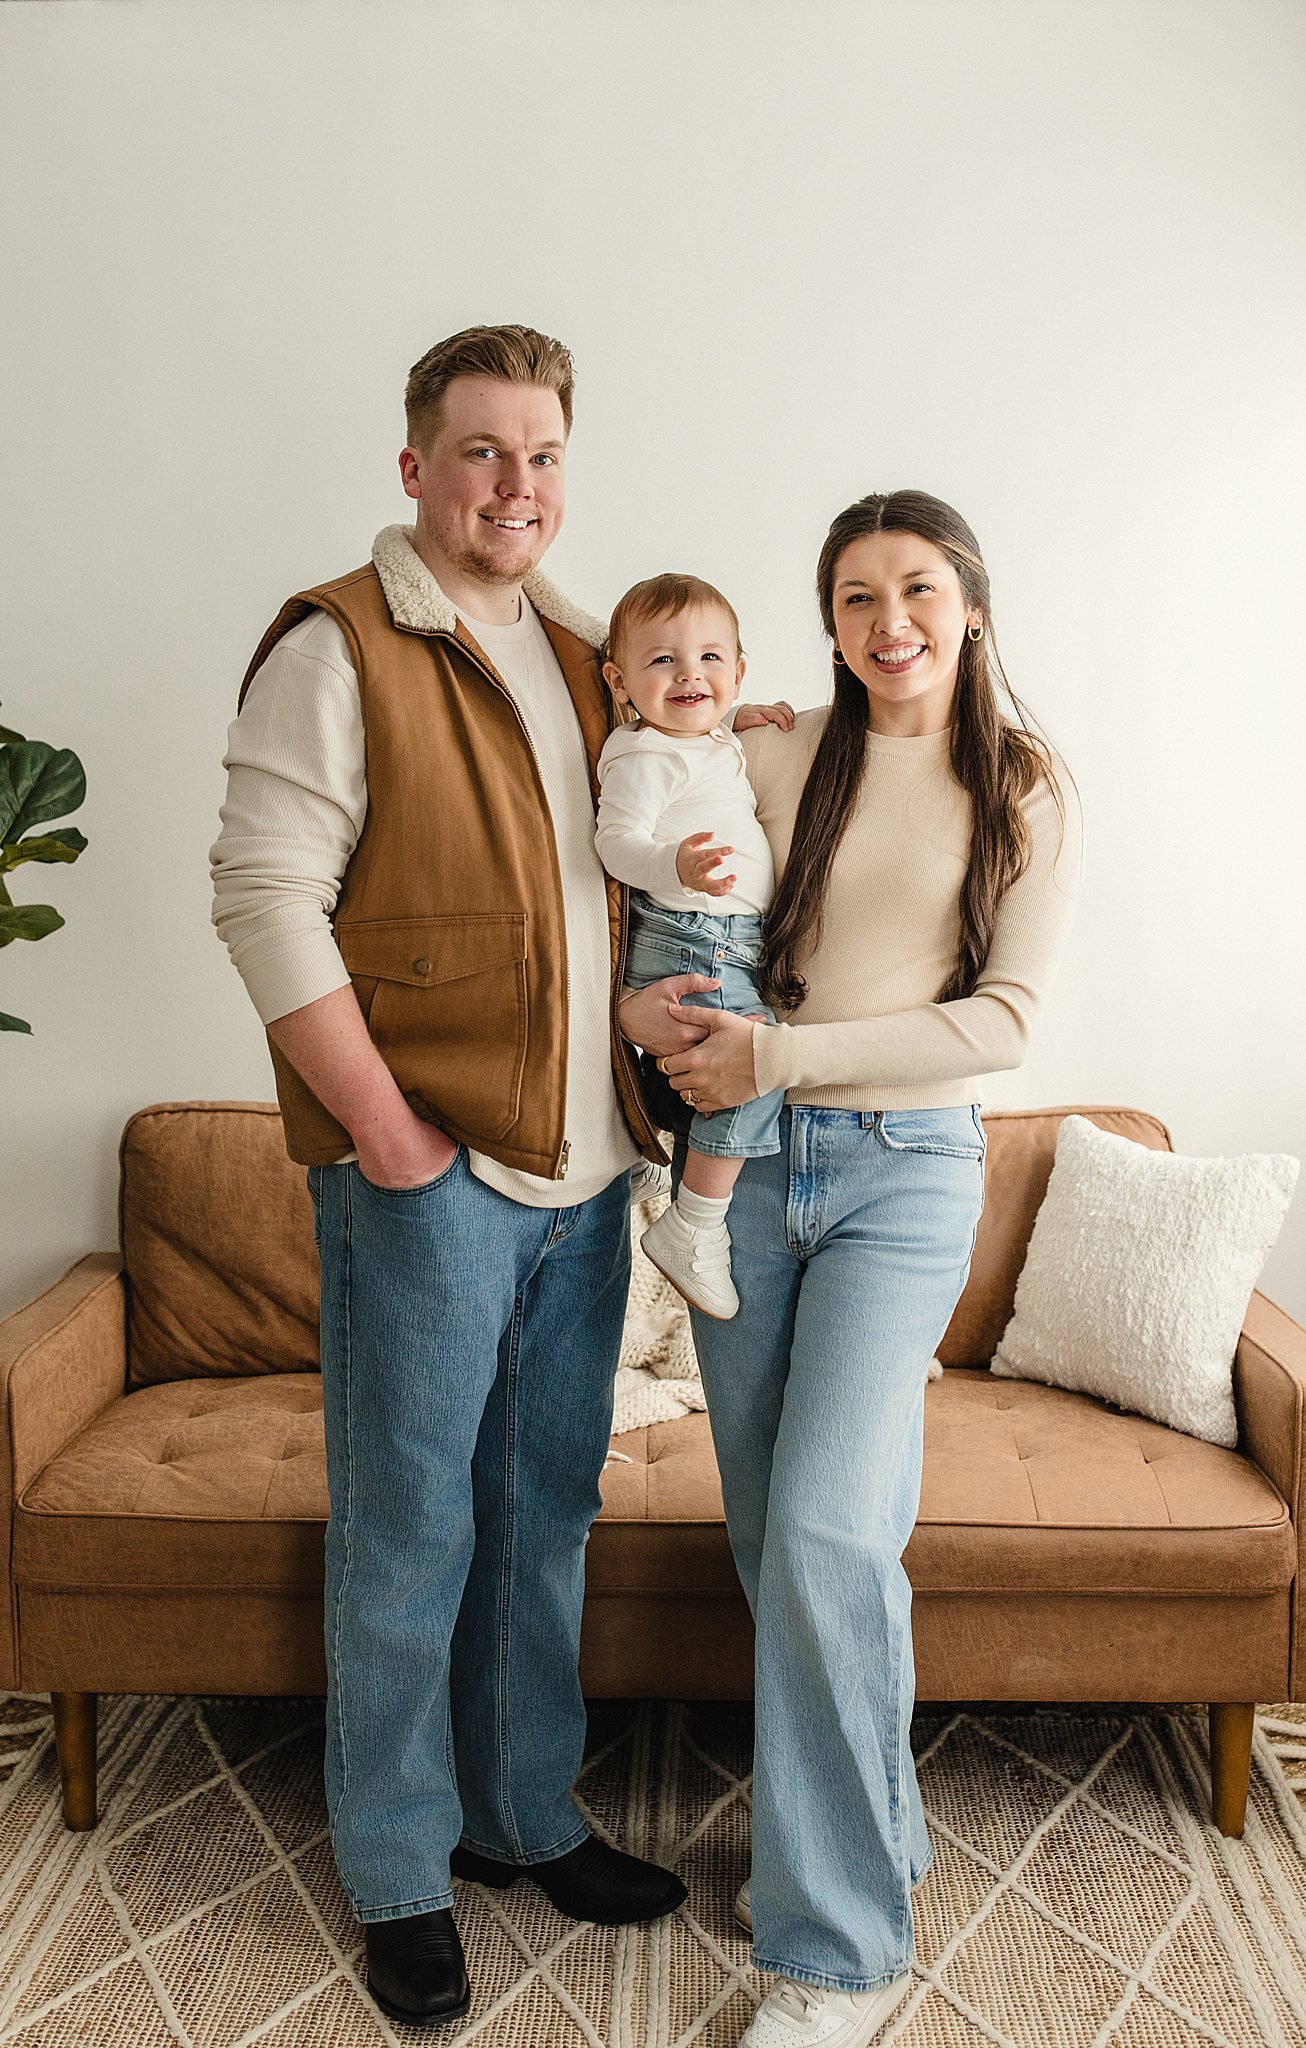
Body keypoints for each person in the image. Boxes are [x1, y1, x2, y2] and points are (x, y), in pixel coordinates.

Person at [209, 324, 693, 2030]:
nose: (516, 483)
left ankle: (519, 1815)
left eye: (543, 452)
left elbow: (581, 906)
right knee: (412, 1529)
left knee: (539, 1513)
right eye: (481, 450)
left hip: (585, 1177)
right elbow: (265, 895)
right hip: (432, 1175)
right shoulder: (340, 644)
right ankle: (403, 1868)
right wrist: (388, 1131)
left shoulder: (580, 651)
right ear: (414, 465)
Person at [620, 491, 1083, 2048]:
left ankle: (838, 1956)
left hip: (904, 1181)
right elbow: (668, 893)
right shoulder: (773, 750)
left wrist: (785, 1053)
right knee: (783, 1541)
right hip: (744, 1185)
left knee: (824, 1530)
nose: (890, 622)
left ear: (968, 604)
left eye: (918, 591)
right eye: (856, 595)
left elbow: (1006, 1020)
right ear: (823, 617)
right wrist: (653, 1023)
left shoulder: (1020, 786)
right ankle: (870, 1835)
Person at [595, 571, 793, 1318]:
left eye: (711, 660)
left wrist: (738, 717)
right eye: (663, 662)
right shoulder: (644, 754)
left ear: (737, 671)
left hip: (717, 938)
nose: (690, 676)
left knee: (704, 1070)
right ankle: (693, 1226)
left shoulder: (699, 739)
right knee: (754, 1065)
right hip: (693, 938)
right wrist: (670, 864)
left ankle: (648, 1155)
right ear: (620, 681)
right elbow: (616, 842)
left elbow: (705, 720)